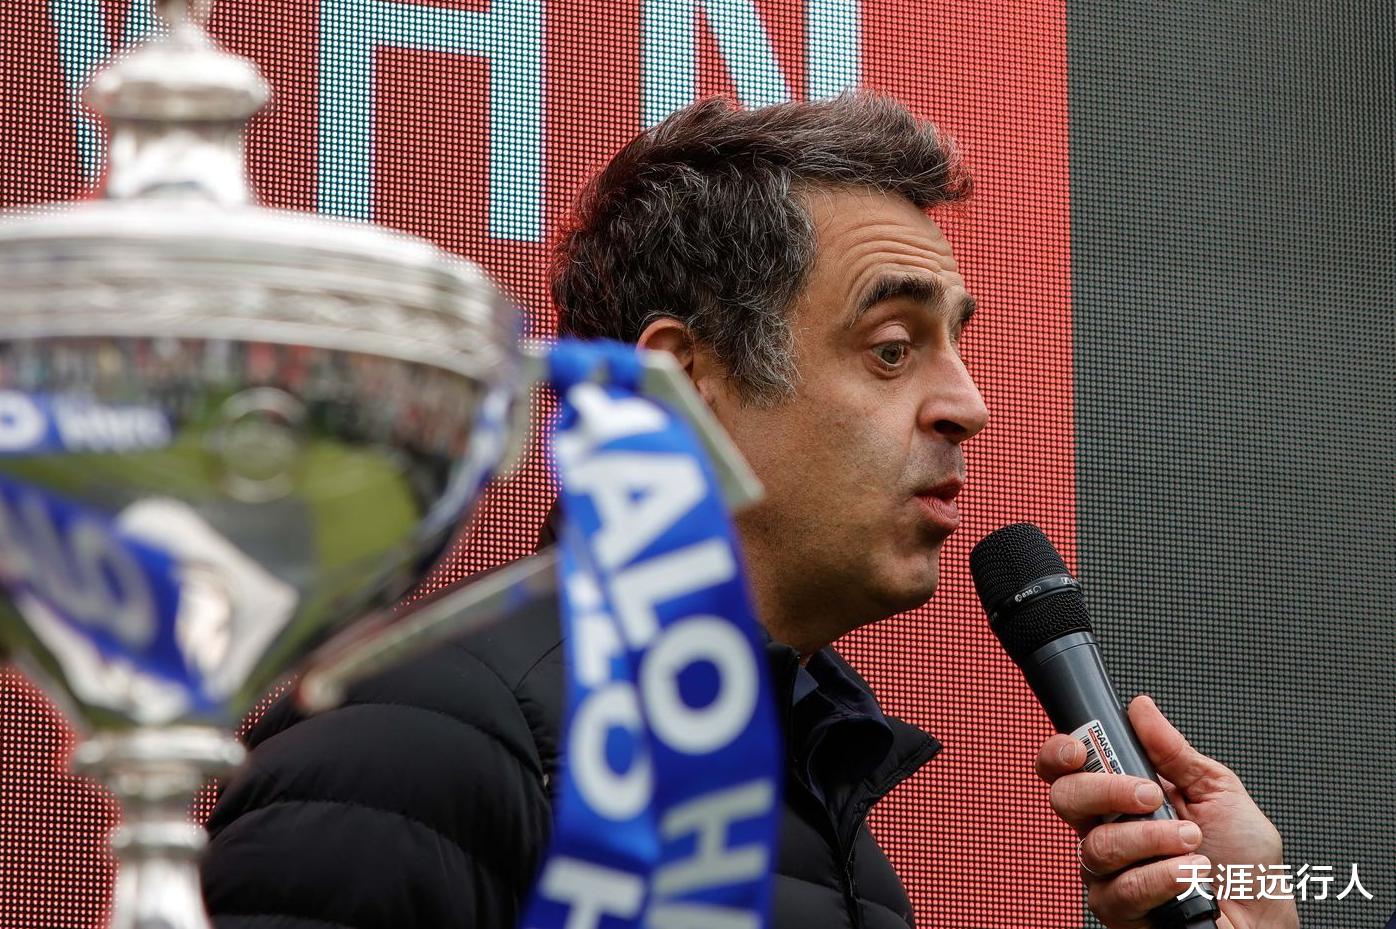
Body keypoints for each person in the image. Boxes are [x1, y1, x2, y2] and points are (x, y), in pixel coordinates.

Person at [200, 93, 1298, 929]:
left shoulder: (835, 823)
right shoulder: (413, 741)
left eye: (956, 344)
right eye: (891, 349)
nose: (968, 405)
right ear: (681, 385)